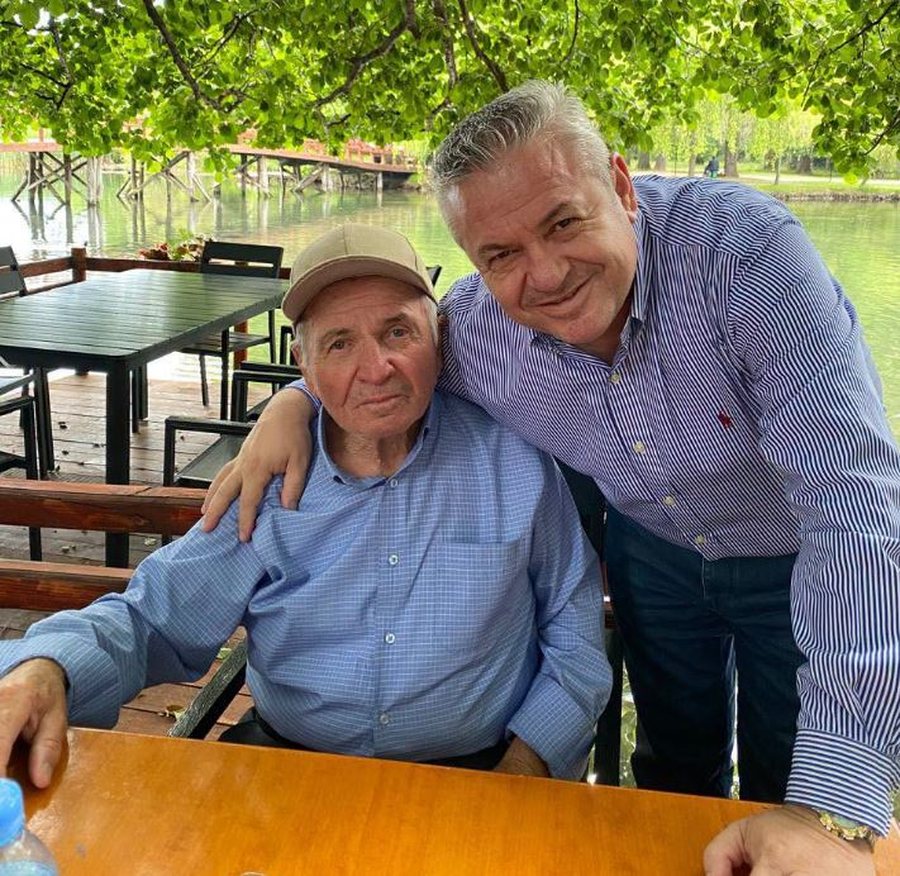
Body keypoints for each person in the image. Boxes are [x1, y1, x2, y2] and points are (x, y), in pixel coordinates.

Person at [202, 81, 900, 874]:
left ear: (622, 186)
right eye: (501, 255)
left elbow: (853, 504)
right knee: (674, 763)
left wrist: (832, 815)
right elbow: (382, 366)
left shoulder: (746, 258)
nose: (546, 272)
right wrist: (294, 403)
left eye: (564, 222)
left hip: (797, 550)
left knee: (791, 773)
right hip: (653, 545)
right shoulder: (478, 331)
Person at [0, 224, 611, 789]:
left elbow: (574, 629)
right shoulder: (268, 481)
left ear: (439, 337)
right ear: (306, 369)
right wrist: (47, 667)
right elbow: (150, 619)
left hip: (483, 772)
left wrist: (524, 767)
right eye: (340, 344)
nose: (377, 368)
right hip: (289, 769)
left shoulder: (514, 461)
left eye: (398, 332)